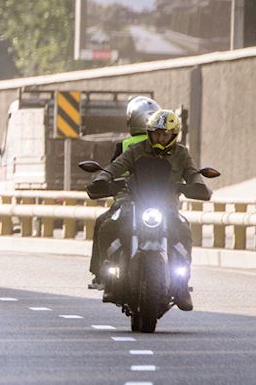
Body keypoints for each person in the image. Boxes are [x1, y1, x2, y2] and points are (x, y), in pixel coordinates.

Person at [89, 109, 208, 311]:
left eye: (165, 134)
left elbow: (193, 174)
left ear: (174, 134)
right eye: (156, 133)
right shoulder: (137, 149)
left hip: (166, 204)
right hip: (134, 201)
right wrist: (104, 177)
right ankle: (107, 275)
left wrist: (198, 185)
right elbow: (117, 165)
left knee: (183, 229)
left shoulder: (181, 153)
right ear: (150, 132)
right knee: (109, 225)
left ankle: (182, 285)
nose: (160, 137)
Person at [88, 96, 160, 287]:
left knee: (103, 224)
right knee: (182, 228)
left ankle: (101, 273)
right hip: (159, 201)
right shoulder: (165, 141)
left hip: (129, 199)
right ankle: (183, 282)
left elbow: (112, 170)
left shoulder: (125, 145)